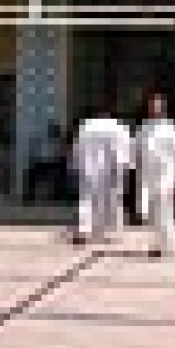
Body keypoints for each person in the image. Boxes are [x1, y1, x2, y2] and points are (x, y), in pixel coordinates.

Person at [135, 91, 175, 257]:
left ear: (163, 107)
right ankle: (157, 245)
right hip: (148, 174)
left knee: (164, 209)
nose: (154, 108)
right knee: (151, 211)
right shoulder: (143, 127)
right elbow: (136, 149)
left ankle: (170, 244)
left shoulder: (171, 128)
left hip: (166, 172)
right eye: (152, 105)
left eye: (158, 105)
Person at [72, 102, 132, 245]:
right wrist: (125, 168)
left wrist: (76, 165)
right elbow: (124, 150)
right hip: (111, 169)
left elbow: (77, 149)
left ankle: (84, 231)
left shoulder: (86, 127)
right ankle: (111, 233)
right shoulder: (118, 128)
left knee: (87, 200)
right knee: (113, 200)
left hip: (89, 169)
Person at [24, 121, 67, 204]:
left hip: (54, 166)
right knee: (33, 172)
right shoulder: (47, 143)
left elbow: (61, 157)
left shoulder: (59, 144)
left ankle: (31, 195)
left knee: (60, 173)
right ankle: (31, 195)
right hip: (49, 165)